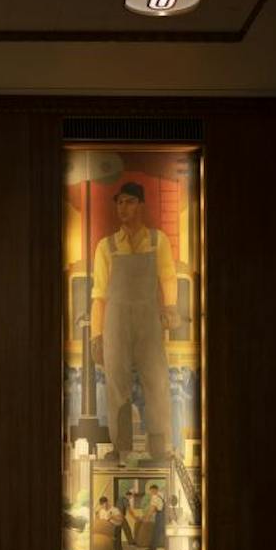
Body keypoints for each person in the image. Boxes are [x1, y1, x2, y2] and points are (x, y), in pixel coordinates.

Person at [89, 182, 180, 462]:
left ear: (141, 205)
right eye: (119, 203)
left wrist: (171, 309)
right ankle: (121, 447)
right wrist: (96, 335)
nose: (123, 208)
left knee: (156, 381)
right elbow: (100, 295)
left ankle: (160, 448)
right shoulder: (106, 246)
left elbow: (168, 277)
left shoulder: (157, 241)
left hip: (148, 320)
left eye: (129, 202)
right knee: (117, 383)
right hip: (115, 322)